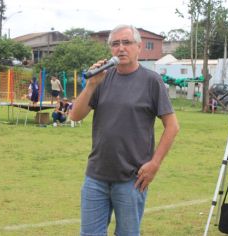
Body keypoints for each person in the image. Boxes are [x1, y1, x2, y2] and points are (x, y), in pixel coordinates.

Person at [69, 24, 179, 236]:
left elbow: (172, 126)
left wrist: (154, 164)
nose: (121, 48)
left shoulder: (151, 81)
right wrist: (91, 85)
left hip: (132, 179)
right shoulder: (101, 79)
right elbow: (75, 115)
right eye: (115, 44)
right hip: (96, 176)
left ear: (139, 47)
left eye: (127, 43)